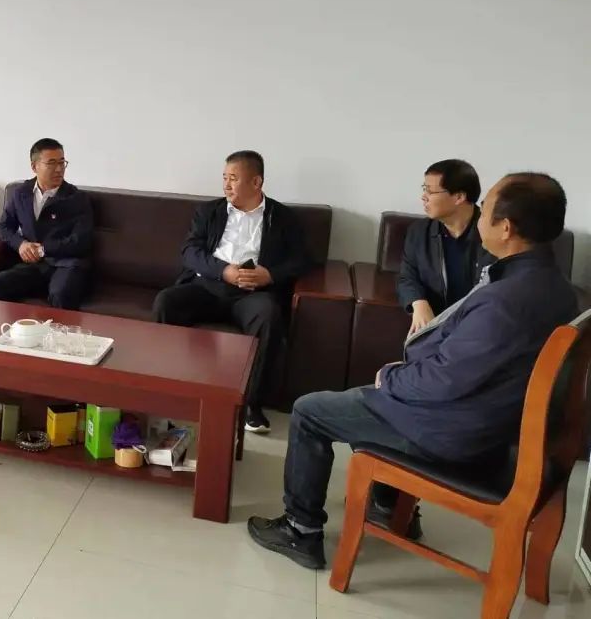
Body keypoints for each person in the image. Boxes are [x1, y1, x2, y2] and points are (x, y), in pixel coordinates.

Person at [247, 173, 578, 570]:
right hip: (491, 423)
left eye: (486, 207)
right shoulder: (557, 288)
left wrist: (390, 378)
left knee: (310, 411)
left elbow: (443, 381)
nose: (480, 215)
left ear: (506, 228)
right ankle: (387, 506)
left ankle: (301, 531)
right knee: (364, 402)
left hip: (453, 432)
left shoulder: (506, 301)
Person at [153, 151, 310, 434]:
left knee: (269, 315)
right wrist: (223, 271)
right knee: (167, 301)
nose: (226, 185)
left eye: (233, 178)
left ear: (256, 182)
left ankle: (252, 405)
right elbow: (189, 251)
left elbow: (301, 260)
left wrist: (269, 275)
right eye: (224, 177)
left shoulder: (283, 218)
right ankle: (169, 393)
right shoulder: (208, 212)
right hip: (208, 286)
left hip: (252, 294)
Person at [0, 138, 94, 310]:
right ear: (34, 167)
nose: (59, 169)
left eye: (62, 162)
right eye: (51, 163)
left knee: (60, 293)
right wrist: (21, 244)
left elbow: (81, 241)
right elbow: (3, 227)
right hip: (33, 266)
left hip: (65, 264)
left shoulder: (77, 198)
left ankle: (58, 330)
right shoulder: (21, 193)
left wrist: (43, 249)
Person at [400, 159, 493, 335]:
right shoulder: (419, 232)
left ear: (459, 197)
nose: (423, 196)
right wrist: (418, 302)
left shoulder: (493, 233)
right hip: (435, 325)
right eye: (424, 188)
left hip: (479, 327)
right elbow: (407, 276)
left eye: (430, 191)